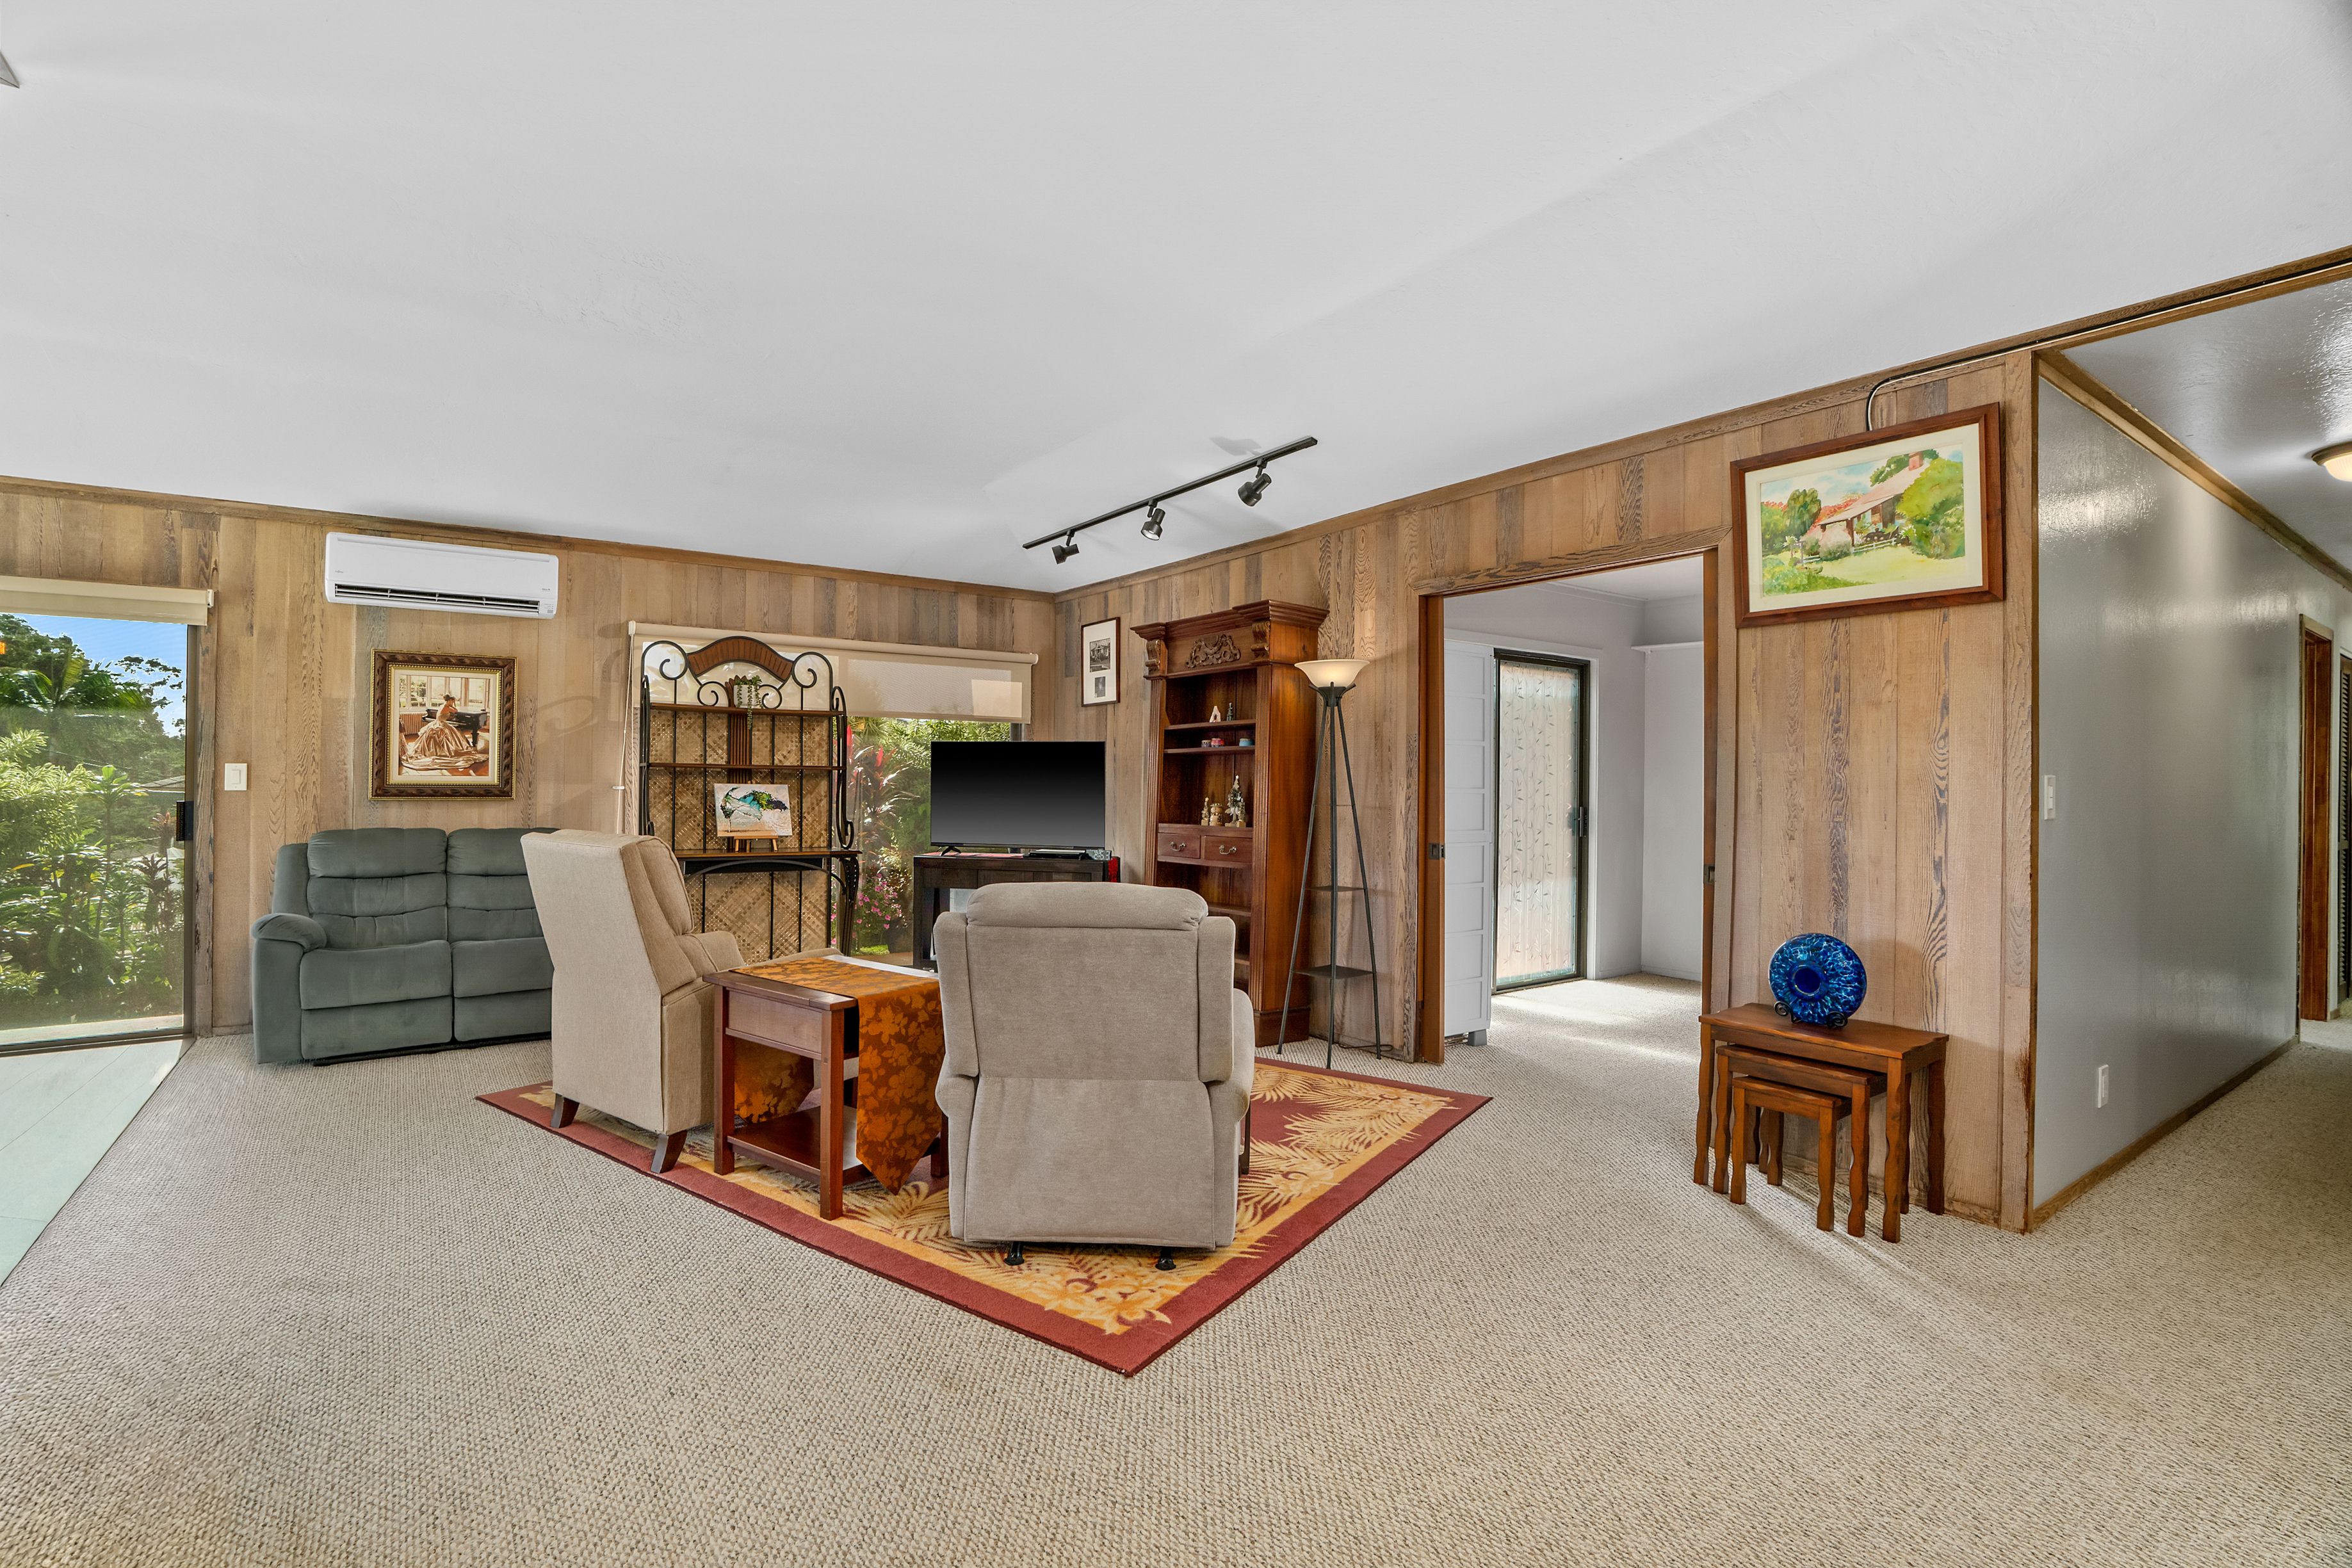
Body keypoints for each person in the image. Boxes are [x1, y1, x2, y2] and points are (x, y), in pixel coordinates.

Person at [407, 694, 480, 768]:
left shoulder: (442, 706)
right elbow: (456, 710)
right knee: (452, 734)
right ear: (449, 701)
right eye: (452, 701)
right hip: (442, 725)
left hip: (436, 723)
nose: (452, 703)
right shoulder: (447, 708)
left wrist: (451, 704)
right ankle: (444, 752)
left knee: (452, 733)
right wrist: (453, 705)